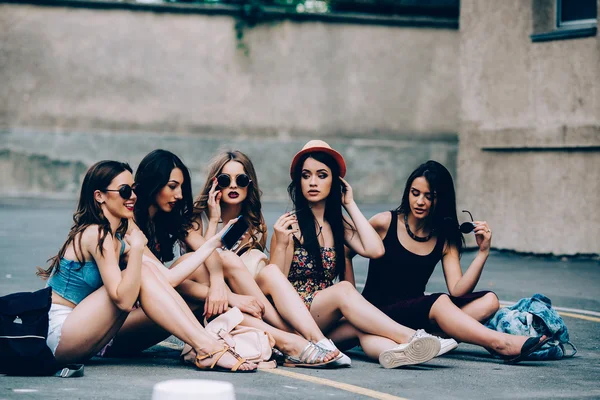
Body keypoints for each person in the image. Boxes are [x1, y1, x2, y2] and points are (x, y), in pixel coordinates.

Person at [111, 149, 339, 367]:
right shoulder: (130, 226)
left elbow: (208, 252)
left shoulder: (167, 220)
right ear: (153, 185)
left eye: (181, 187)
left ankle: (291, 338)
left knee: (222, 266)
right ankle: (288, 340)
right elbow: (170, 279)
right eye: (172, 186)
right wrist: (229, 296)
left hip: (157, 312)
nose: (179, 195)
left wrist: (219, 284)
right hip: (117, 329)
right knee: (200, 280)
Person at [37, 160, 256, 372]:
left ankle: (207, 345)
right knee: (142, 270)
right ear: (99, 196)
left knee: (148, 270)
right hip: (58, 334)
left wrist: (213, 244)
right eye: (124, 191)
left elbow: (168, 279)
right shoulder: (96, 234)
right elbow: (122, 300)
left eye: (133, 190)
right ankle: (207, 347)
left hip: (86, 333)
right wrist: (139, 249)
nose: (132, 197)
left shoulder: (119, 240)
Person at [352, 160, 549, 364]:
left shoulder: (443, 238)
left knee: (489, 301)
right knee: (439, 303)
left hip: (414, 313)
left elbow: (457, 290)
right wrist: (353, 300)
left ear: (441, 200)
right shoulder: (384, 222)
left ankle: (432, 340)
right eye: (415, 193)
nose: (420, 201)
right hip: (377, 312)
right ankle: (500, 343)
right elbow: (346, 252)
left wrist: (483, 253)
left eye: (430, 196)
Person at [270, 140, 442, 369]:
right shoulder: (289, 226)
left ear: (335, 182)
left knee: (362, 327)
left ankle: (399, 353)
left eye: (322, 175)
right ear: (298, 181)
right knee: (344, 290)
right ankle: (411, 337)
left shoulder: (338, 225)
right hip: (296, 318)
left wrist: (349, 204)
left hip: (325, 319)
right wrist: (281, 244)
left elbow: (375, 249)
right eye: (306, 175)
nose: (313, 182)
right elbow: (275, 287)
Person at [192, 149, 349, 367]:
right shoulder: (197, 220)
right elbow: (200, 263)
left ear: (250, 184)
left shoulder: (254, 225)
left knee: (271, 272)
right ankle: (302, 339)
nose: (234, 186)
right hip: (215, 305)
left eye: (242, 179)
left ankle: (316, 340)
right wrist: (214, 218)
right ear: (215, 183)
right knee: (228, 259)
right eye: (226, 180)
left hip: (252, 303)